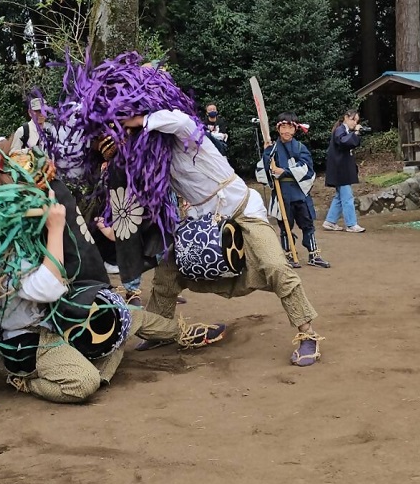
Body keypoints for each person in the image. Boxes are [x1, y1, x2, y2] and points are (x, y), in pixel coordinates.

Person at [120, 108, 326, 367]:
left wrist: (142, 119)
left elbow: (182, 119)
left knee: (275, 265)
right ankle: (159, 330)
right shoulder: (156, 163)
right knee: (167, 273)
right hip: (202, 221)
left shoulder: (190, 137)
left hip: (243, 209)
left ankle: (307, 333)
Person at [0, 196, 226, 404]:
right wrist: (55, 228)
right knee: (83, 384)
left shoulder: (30, 241)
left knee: (123, 315)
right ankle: (25, 382)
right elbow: (48, 288)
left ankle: (181, 332)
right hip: (29, 342)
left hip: (58, 320)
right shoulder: (2, 258)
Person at [263, 113, 330, 269]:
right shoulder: (272, 148)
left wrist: (284, 171)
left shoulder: (301, 148)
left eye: (290, 127)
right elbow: (264, 170)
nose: (286, 131)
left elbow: (307, 169)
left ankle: (314, 254)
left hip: (300, 192)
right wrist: (267, 156)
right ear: (278, 129)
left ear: (295, 129)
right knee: (285, 226)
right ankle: (289, 254)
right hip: (282, 193)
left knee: (307, 224)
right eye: (283, 127)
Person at [323, 109, 365, 233]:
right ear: (346, 117)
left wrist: (356, 134)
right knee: (347, 197)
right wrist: (356, 132)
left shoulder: (343, 131)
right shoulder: (340, 130)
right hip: (340, 170)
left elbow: (351, 142)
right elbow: (345, 142)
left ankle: (330, 222)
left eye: (356, 121)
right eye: (353, 120)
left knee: (340, 197)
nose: (354, 123)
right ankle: (351, 224)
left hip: (341, 169)